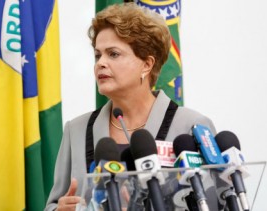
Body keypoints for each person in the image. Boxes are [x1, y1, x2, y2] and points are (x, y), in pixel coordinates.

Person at [45, 3, 216, 211]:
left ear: (147, 64)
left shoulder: (192, 127)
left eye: (113, 54)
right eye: (98, 55)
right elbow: (53, 204)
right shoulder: (76, 130)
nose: (101, 63)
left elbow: (214, 202)